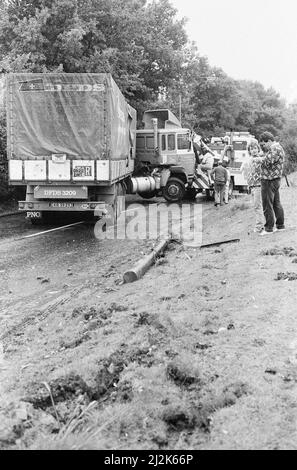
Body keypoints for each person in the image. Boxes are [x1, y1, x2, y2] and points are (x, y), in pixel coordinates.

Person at [258, 131, 285, 235]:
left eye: (263, 144)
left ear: (269, 141)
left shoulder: (275, 148)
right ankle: (280, 225)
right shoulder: (278, 148)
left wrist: (257, 158)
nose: (263, 147)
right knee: (276, 203)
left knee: (267, 204)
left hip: (269, 180)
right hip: (275, 179)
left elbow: (267, 161)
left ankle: (269, 228)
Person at [247, 140, 265, 232]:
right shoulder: (250, 159)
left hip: (258, 186)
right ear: (249, 150)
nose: (253, 150)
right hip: (252, 186)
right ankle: (260, 224)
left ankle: (259, 226)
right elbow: (249, 173)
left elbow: (262, 159)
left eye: (255, 148)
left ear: (258, 149)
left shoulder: (259, 158)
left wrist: (259, 156)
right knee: (256, 206)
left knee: (257, 206)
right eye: (251, 149)